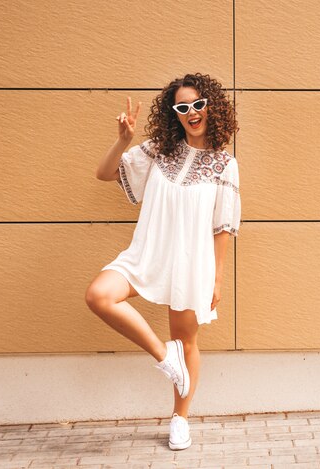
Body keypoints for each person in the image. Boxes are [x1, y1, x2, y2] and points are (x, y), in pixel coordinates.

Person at [85, 72, 241, 451]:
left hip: (191, 263)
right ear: (175, 113)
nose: (192, 112)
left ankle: (180, 419)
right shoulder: (158, 151)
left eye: (198, 104)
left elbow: (224, 226)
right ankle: (162, 354)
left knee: (187, 341)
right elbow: (105, 174)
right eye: (183, 107)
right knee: (98, 296)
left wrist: (217, 279)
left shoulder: (224, 165)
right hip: (146, 253)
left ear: (212, 107)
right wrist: (123, 142)